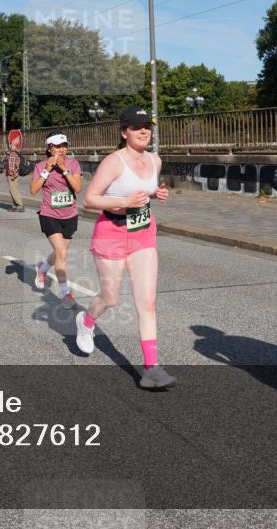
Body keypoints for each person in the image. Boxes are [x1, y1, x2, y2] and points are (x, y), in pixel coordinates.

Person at [77, 106, 174, 390]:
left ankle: (151, 368)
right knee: (110, 298)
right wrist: (123, 203)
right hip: (111, 233)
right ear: (124, 132)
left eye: (147, 126)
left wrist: (155, 193)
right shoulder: (114, 162)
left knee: (147, 303)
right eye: (136, 127)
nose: (143, 131)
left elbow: (142, 191)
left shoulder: (155, 160)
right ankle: (87, 320)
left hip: (143, 233)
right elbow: (90, 200)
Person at [31, 133, 83, 307]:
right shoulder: (40, 166)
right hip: (49, 214)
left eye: (64, 146)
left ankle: (43, 268)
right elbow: (33, 190)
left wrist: (65, 170)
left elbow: (77, 187)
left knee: (60, 253)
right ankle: (65, 292)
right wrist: (47, 170)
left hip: (70, 215)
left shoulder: (73, 164)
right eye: (58, 146)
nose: (62, 150)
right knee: (61, 253)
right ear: (49, 148)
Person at [5, 135, 25, 212]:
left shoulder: (13, 154)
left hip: (12, 175)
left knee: (13, 190)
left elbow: (12, 167)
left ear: (14, 146)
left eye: (11, 144)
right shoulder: (15, 153)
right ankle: (15, 205)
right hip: (15, 175)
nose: (10, 146)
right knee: (13, 189)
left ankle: (19, 205)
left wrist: (12, 175)